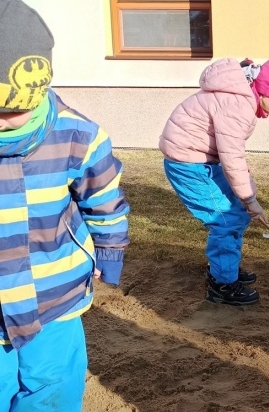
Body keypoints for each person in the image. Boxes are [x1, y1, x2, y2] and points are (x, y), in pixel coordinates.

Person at [0, 1, 131, 410]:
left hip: (53, 294)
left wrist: (109, 254)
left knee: (53, 389)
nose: (1, 120)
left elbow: (105, 202)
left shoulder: (78, 135)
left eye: (12, 110)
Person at [159, 57, 269, 306]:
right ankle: (222, 284)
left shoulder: (239, 98)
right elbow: (232, 157)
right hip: (189, 164)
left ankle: (225, 268)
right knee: (225, 220)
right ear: (265, 90)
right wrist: (249, 199)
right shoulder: (238, 105)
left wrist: (249, 199)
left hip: (203, 160)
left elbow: (234, 158)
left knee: (239, 213)